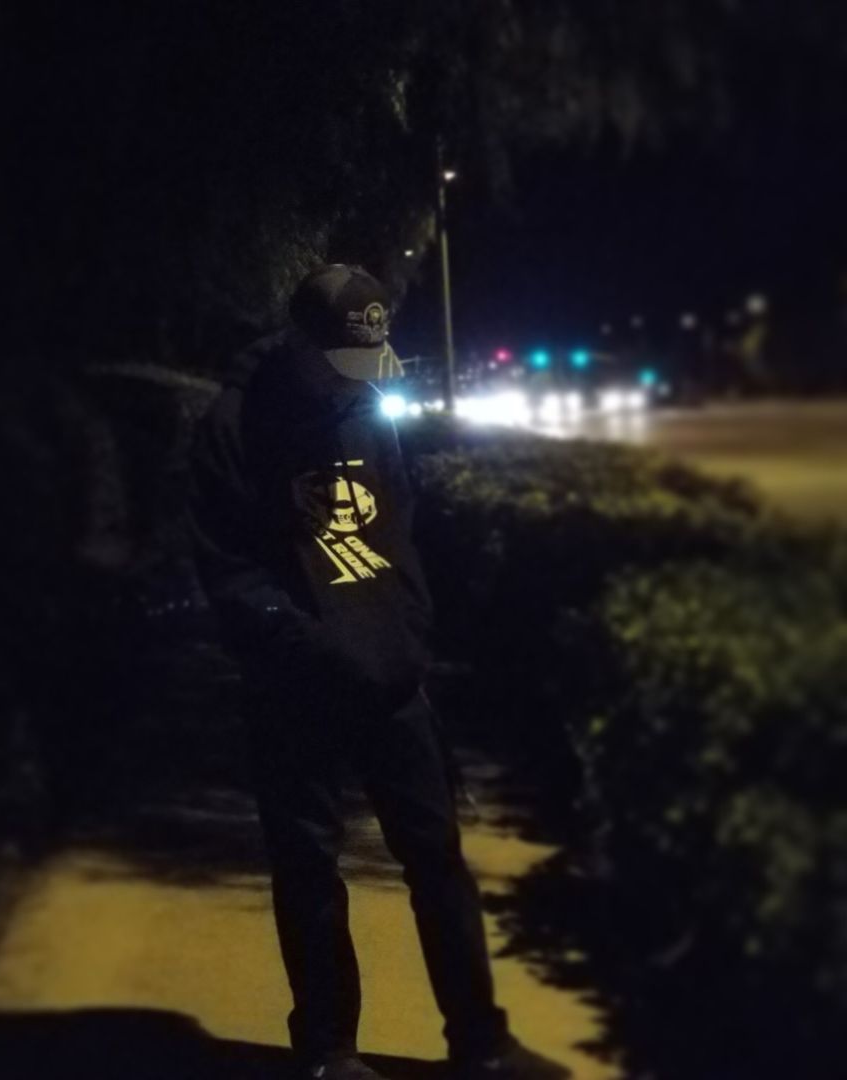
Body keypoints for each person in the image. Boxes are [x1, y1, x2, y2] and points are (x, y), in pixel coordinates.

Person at [187, 264, 570, 1080]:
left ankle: (481, 1043)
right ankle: (329, 1052)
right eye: (341, 359)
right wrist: (301, 645)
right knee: (309, 870)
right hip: (296, 691)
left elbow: (398, 529)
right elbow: (226, 567)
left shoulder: (366, 409)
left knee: (438, 861)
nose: (354, 378)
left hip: (393, 678)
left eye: (368, 357)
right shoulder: (233, 424)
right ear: (299, 342)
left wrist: (408, 630)